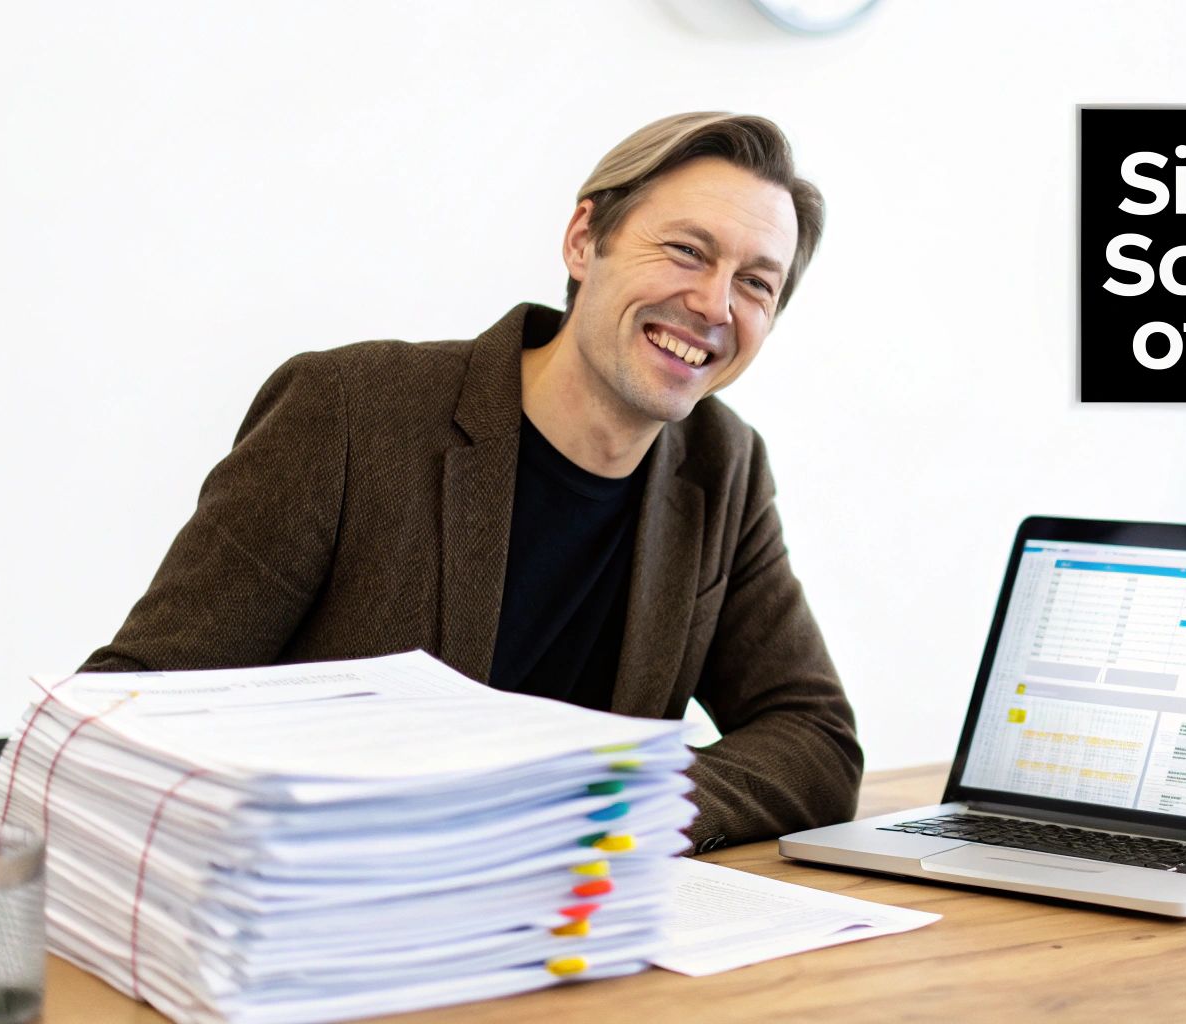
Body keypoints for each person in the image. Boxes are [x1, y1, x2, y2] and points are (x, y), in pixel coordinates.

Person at [82, 112, 862, 852]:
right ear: (585, 240)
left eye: (757, 283)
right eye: (688, 251)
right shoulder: (352, 412)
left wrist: (620, 804)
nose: (713, 303)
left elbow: (814, 737)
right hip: (321, 915)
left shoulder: (723, 466)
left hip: (556, 940)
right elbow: (134, 704)